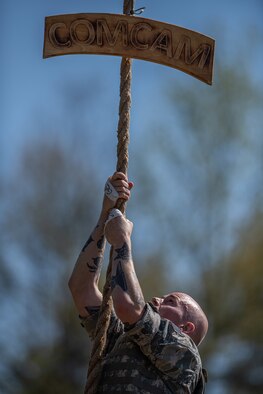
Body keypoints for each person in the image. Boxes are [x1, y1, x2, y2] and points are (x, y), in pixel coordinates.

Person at [68, 172, 208, 393]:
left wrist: (122, 240)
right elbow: (81, 289)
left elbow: (128, 305)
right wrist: (106, 214)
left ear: (185, 328)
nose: (157, 299)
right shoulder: (122, 339)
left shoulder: (185, 356)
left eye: (170, 301)